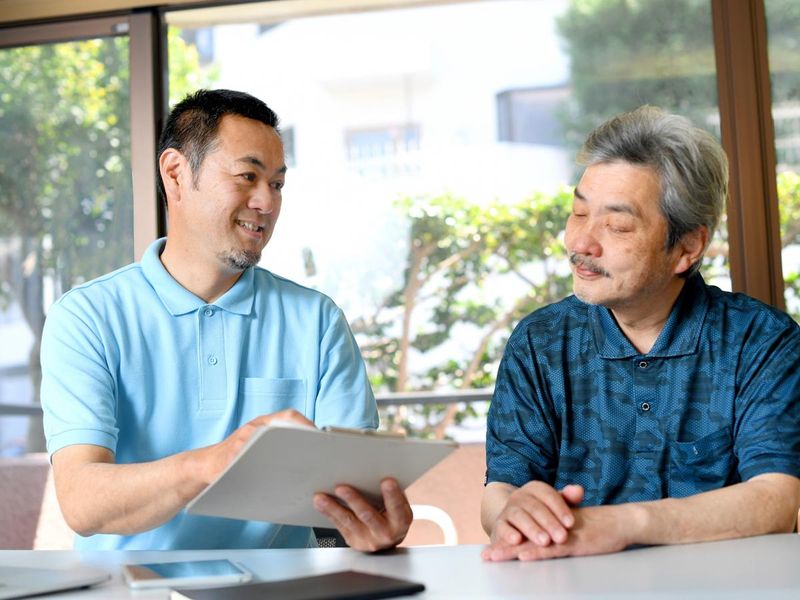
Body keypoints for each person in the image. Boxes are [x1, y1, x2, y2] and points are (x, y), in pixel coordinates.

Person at [40, 89, 412, 551]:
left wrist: (372, 527)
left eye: (277, 184)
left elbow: (349, 500)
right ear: (176, 174)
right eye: (247, 176)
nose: (267, 202)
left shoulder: (317, 321)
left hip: (280, 585)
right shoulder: (87, 317)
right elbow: (82, 502)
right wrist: (210, 464)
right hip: (130, 584)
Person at [481, 105, 800, 562]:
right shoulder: (540, 342)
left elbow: (776, 498)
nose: (581, 243)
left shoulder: (762, 341)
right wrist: (513, 514)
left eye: (617, 225)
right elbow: (502, 489)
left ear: (687, 246)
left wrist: (622, 525)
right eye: (578, 212)